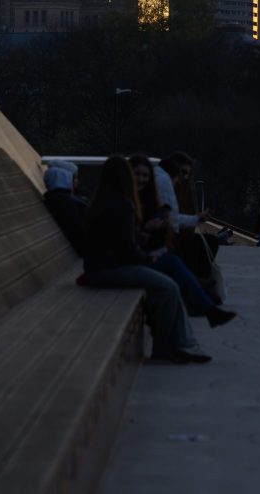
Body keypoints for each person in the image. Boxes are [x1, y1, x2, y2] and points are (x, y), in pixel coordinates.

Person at [79, 156, 212, 364]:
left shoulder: (98, 202)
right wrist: (148, 259)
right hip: (110, 270)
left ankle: (179, 344)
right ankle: (167, 346)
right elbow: (127, 251)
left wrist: (141, 237)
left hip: (97, 267)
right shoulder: (124, 204)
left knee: (165, 284)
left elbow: (116, 241)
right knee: (169, 287)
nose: (140, 180)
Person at [131, 155, 235, 327]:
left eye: (145, 176)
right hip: (127, 262)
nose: (183, 179)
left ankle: (205, 310)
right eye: (137, 175)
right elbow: (172, 220)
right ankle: (205, 306)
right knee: (172, 276)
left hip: (137, 256)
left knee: (176, 265)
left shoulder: (141, 196)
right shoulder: (160, 185)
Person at [42, 161, 86, 253]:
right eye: (73, 178)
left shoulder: (52, 199)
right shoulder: (65, 202)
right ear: (65, 178)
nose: (76, 181)